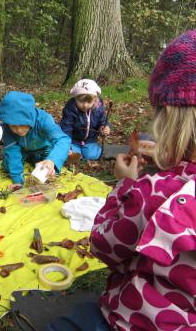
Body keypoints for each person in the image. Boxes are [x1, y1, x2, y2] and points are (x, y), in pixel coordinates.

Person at [89, 29, 196, 330]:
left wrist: (124, 186)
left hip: (135, 319)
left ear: (168, 117)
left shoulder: (155, 193)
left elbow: (102, 244)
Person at [0, 91, 71, 186]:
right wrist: (17, 180)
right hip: (22, 150)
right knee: (8, 166)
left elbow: (63, 139)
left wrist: (52, 160)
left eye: (22, 124)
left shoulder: (44, 120)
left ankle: (41, 162)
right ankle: (28, 160)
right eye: (13, 126)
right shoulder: (7, 125)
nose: (19, 130)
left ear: (30, 117)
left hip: (43, 150)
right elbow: (12, 150)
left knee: (47, 172)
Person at [59, 79, 110, 160]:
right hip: (73, 141)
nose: (85, 105)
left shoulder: (98, 109)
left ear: (95, 99)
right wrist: (67, 144)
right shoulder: (71, 110)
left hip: (89, 141)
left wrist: (104, 127)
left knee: (92, 155)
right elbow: (66, 128)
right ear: (75, 98)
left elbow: (102, 121)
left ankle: (87, 152)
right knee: (71, 153)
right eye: (81, 101)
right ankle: (76, 152)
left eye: (89, 102)